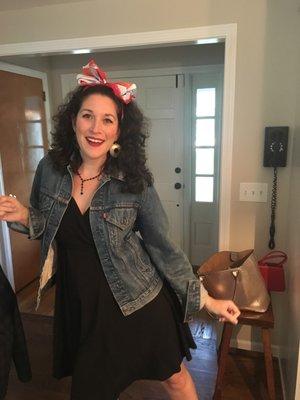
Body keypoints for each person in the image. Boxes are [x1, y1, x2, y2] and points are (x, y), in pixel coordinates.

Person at [0, 59, 240, 400]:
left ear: (118, 130)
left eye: (107, 119)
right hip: (82, 305)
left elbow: (163, 247)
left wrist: (207, 301)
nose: (96, 127)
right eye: (87, 116)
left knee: (173, 377)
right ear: (73, 121)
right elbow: (46, 225)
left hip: (137, 300)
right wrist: (22, 214)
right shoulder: (49, 170)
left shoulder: (135, 184)